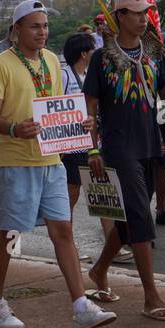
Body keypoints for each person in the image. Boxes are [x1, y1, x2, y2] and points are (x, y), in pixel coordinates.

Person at [0, 0, 117, 328]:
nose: (42, 32)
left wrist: (78, 125)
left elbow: (55, 107)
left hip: (51, 159)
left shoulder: (53, 62)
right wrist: (13, 128)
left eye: (44, 26)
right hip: (15, 161)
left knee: (63, 231)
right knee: (11, 234)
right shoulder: (1, 65)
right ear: (17, 31)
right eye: (34, 26)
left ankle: (81, 305)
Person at [84, 0, 165, 319]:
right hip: (118, 146)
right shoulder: (102, 58)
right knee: (141, 216)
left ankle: (99, 271)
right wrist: (93, 147)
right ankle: (151, 297)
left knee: (130, 220)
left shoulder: (153, 52)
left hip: (148, 142)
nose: (143, 19)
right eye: (136, 13)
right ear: (120, 17)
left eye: (146, 13)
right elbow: (90, 107)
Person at [59, 32, 97, 213]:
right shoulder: (64, 76)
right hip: (70, 145)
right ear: (83, 54)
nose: (96, 53)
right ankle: (65, 234)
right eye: (93, 50)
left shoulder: (91, 75)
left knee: (95, 191)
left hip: (90, 143)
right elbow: (53, 109)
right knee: (71, 191)